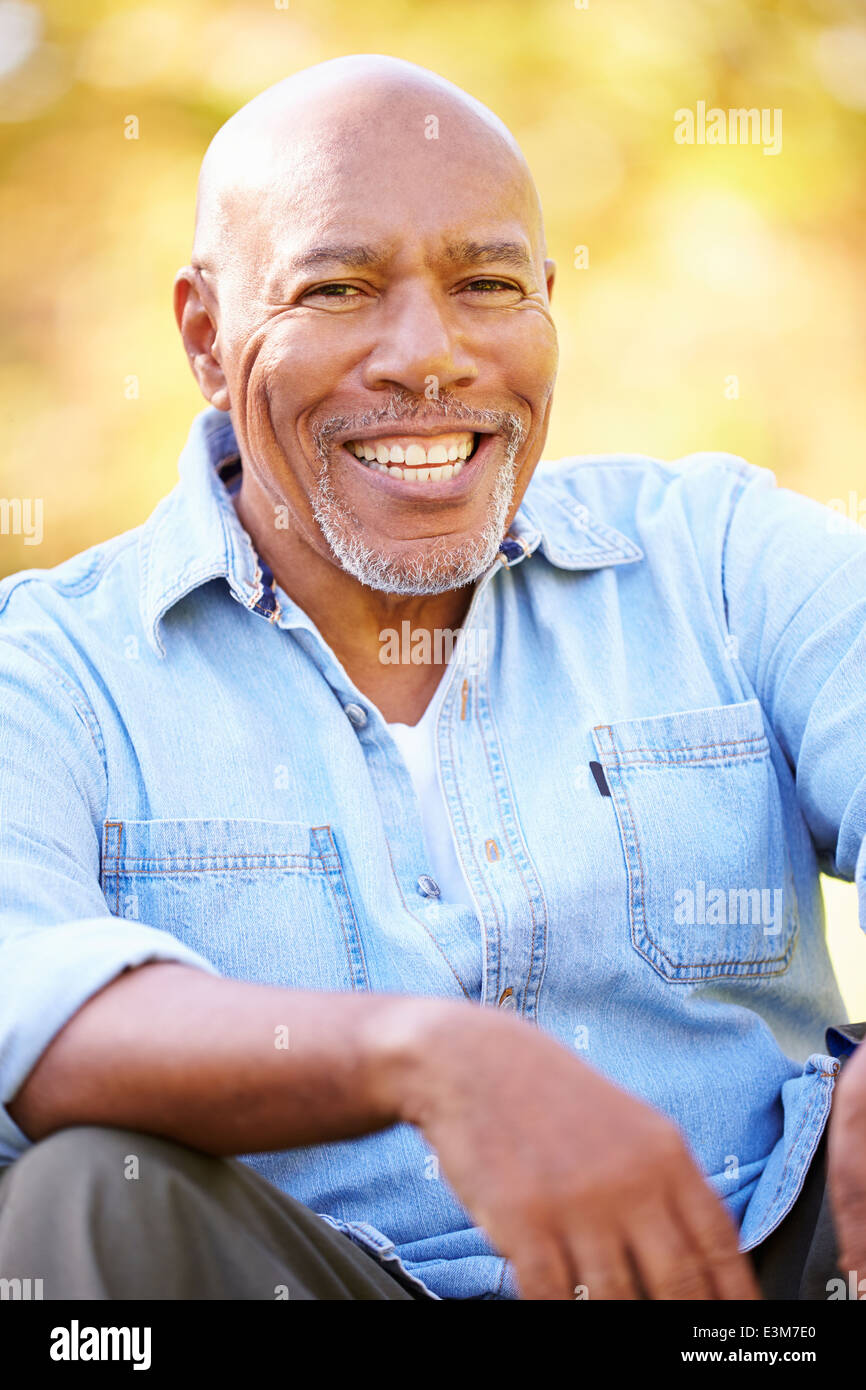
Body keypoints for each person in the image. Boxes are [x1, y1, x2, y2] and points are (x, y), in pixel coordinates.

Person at [1, 53, 865, 1302]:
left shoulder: (720, 559)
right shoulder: (49, 669)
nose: (429, 356)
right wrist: (426, 1057)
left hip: (745, 1291)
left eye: (487, 284)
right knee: (86, 1194)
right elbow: (23, 1002)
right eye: (338, 288)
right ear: (204, 334)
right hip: (315, 1283)